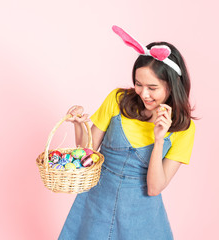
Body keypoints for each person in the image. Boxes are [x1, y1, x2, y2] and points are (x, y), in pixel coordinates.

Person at [58, 25, 195, 240]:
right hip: (96, 205)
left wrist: (159, 139)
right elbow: (87, 154)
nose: (144, 94)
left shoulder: (183, 129)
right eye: (139, 84)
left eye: (153, 87)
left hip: (141, 218)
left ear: (172, 85)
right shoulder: (117, 100)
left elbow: (154, 188)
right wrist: (78, 124)